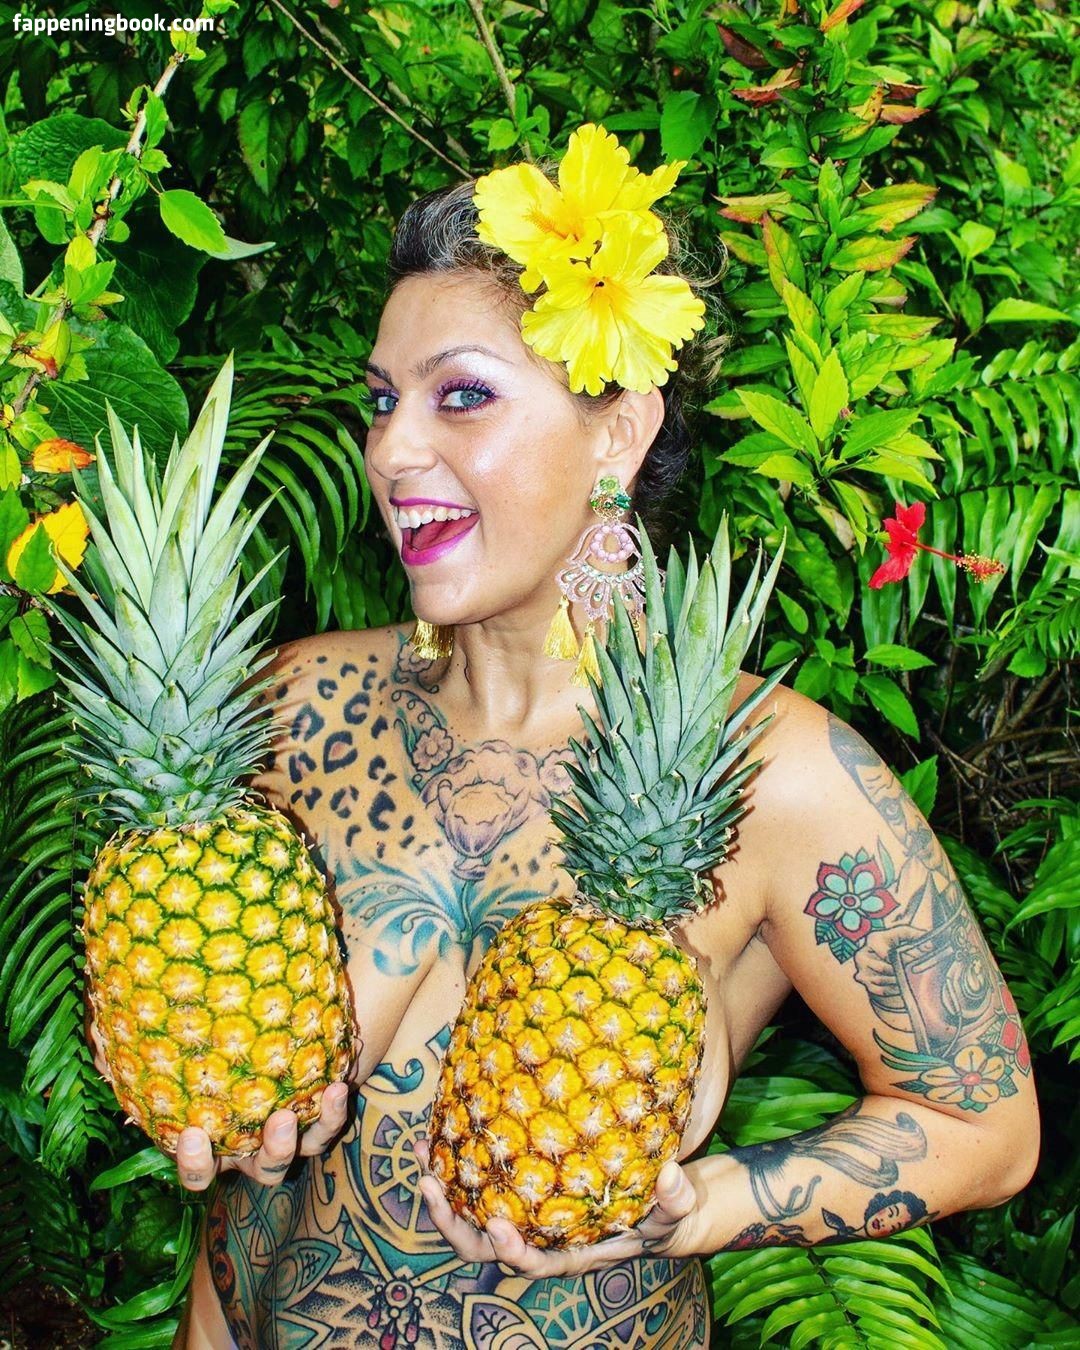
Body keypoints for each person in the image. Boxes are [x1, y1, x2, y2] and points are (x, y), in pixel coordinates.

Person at [172, 127, 1039, 1349]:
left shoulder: (766, 770)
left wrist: (713, 1208)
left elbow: (986, 1129)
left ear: (619, 431)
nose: (391, 449)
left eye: (461, 395)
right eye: (381, 401)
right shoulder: (298, 705)